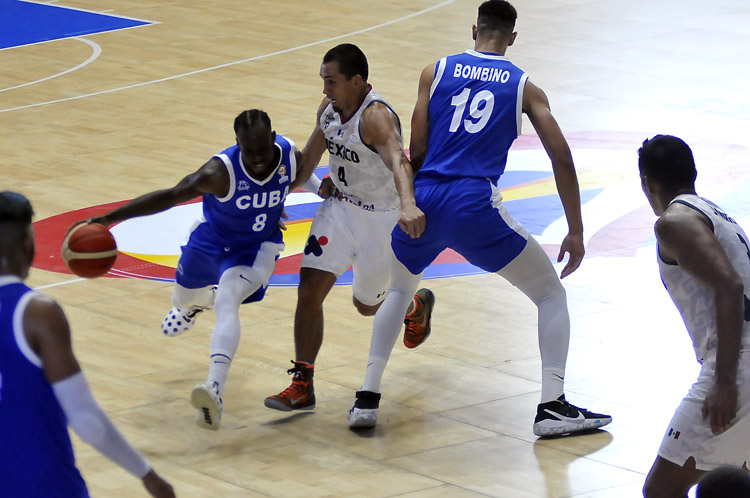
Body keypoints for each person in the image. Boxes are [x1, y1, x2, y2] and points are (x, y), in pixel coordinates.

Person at [346, 0, 612, 435]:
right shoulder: (525, 87)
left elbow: (418, 149)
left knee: (399, 290)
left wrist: (411, 202)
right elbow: (560, 155)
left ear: (474, 30)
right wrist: (576, 230)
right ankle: (552, 406)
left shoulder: (435, 71)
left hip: (426, 197)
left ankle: (366, 399)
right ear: (511, 38)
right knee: (549, 294)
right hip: (474, 203)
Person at [72, 109, 321, 430]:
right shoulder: (218, 172)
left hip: (257, 248)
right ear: (237, 144)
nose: (258, 157)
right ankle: (196, 304)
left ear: (273, 138)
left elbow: (300, 169)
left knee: (228, 300)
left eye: (263, 148)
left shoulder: (285, 150)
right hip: (210, 241)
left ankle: (214, 390)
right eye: (249, 151)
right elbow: (170, 196)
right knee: (184, 297)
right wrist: (109, 219)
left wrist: (320, 188)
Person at [264, 43, 435, 412]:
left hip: (381, 219)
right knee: (308, 290)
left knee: (366, 306)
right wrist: (269, 197)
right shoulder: (329, 110)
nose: (325, 90)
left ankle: (412, 306)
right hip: (339, 210)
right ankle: (302, 383)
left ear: (357, 81)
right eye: (323, 81)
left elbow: (400, 164)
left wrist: (408, 205)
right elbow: (307, 162)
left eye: (332, 81)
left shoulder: (376, 118)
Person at [0, 191, 175, 497]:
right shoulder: (37, 314)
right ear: (28, 244)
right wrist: (147, 474)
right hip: (44, 485)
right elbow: (84, 418)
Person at [639, 135, 750, 497]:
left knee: (661, 491)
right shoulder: (718, 215)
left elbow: (730, 286)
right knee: (733, 487)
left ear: (648, 183)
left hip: (738, 364)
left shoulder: (675, 221)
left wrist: (725, 381)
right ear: (693, 172)